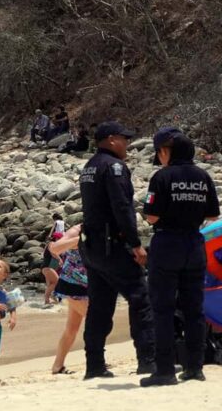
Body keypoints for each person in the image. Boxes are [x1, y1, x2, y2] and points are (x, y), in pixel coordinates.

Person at [140, 129, 220, 387]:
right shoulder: (203, 176)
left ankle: (164, 369)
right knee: (194, 309)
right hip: (195, 243)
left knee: (162, 309)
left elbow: (151, 216)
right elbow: (213, 215)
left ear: (166, 152)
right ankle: (195, 367)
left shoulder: (162, 177)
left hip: (167, 243)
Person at [78, 121, 156, 379]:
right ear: (111, 140)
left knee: (99, 306)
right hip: (112, 245)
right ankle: (147, 360)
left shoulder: (89, 166)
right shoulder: (114, 167)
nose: (128, 144)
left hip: (91, 246)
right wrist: (135, 244)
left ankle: (94, 365)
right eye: (124, 139)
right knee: (140, 298)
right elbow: (122, 208)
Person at [48, 226, 89, 375]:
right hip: (71, 284)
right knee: (95, 320)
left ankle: (57, 366)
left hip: (89, 284)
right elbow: (55, 248)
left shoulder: (103, 228)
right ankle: (97, 358)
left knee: (72, 329)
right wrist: (79, 240)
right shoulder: (77, 231)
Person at [40, 241, 60, 306]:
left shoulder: (50, 244)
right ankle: (47, 297)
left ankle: (47, 301)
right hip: (47, 267)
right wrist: (59, 259)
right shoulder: (51, 243)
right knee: (57, 282)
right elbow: (52, 252)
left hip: (47, 268)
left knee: (50, 284)